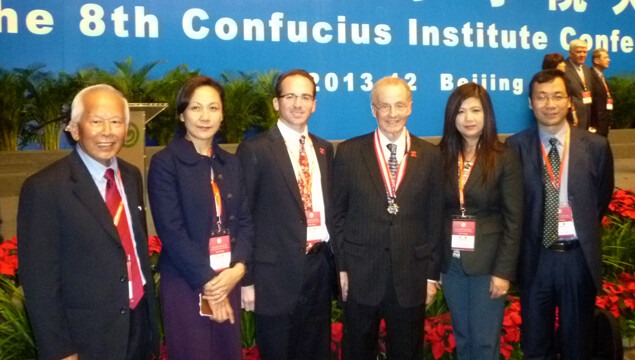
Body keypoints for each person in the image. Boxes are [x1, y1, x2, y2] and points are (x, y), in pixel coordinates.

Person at [17, 84, 160, 360]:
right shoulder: (44, 188)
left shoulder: (130, 177)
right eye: (96, 121)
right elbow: (39, 280)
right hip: (87, 337)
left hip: (138, 324)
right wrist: (59, 349)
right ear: (74, 128)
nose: (108, 131)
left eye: (116, 122)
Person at [507, 69, 614, 360]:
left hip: (577, 260)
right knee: (535, 345)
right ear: (530, 103)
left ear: (569, 101)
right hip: (535, 260)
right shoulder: (514, 146)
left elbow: (601, 197)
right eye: (541, 97)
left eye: (557, 96)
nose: (549, 104)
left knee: (577, 344)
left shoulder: (596, 146)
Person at [333, 76, 443, 360]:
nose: (392, 114)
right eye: (384, 106)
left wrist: (432, 276)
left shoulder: (431, 156)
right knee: (357, 351)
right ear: (373, 109)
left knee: (407, 352)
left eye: (399, 105)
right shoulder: (348, 152)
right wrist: (341, 267)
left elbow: (435, 219)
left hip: (411, 276)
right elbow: (338, 215)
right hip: (360, 275)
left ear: (410, 107)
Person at [147, 76, 254, 360]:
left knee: (226, 353)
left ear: (222, 114)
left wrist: (238, 269)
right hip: (187, 282)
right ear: (182, 114)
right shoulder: (165, 162)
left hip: (227, 278)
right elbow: (171, 231)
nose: (205, 117)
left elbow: (244, 221)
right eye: (195, 108)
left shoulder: (230, 163)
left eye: (213, 108)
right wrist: (209, 283)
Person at [236, 69, 335, 360]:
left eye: (305, 97)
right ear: (276, 103)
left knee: (316, 351)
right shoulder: (254, 150)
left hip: (318, 268)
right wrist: (248, 279)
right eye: (290, 96)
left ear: (314, 104)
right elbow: (244, 217)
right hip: (274, 276)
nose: (298, 103)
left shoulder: (324, 149)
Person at [438, 83, 523, 360]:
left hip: (488, 264)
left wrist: (503, 271)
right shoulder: (441, 157)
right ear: (452, 116)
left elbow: (514, 219)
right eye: (460, 111)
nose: (468, 118)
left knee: (486, 342)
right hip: (451, 263)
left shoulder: (504, 158)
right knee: (462, 337)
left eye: (475, 110)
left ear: (487, 115)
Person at [564, 39, 595, 131]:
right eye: (578, 52)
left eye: (584, 52)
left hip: (587, 117)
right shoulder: (563, 69)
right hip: (571, 118)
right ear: (570, 53)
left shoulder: (587, 69)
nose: (582, 55)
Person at [590, 48, 613, 137]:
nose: (609, 60)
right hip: (595, 126)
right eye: (605, 57)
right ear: (596, 60)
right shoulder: (590, 76)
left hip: (603, 124)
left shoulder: (601, 76)